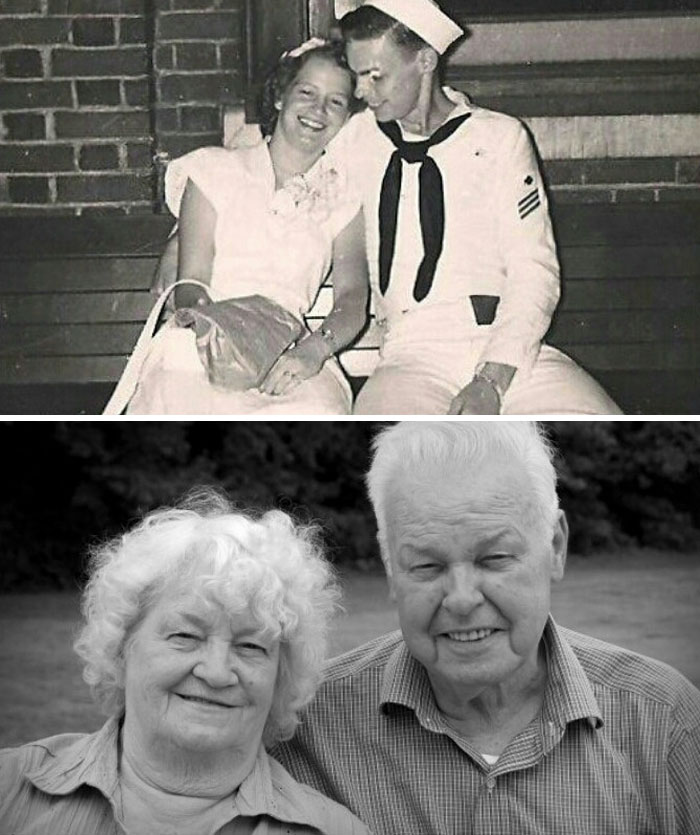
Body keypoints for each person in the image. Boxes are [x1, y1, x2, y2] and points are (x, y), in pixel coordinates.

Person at [273, 422, 700, 834]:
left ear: (555, 546)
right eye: (427, 565)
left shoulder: (666, 724)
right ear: (390, 569)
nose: (461, 600)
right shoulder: (301, 725)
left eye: (494, 559)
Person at [0, 490, 371, 834]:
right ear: (121, 648)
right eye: (186, 636)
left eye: (250, 646)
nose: (216, 672)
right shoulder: (9, 789)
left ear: (280, 678)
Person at [328, 0, 621, 415]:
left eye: (375, 76)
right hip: (411, 357)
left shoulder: (499, 138)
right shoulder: (356, 138)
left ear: (425, 61)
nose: (360, 92)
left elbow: (534, 270)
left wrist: (492, 379)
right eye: (356, 76)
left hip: (507, 351)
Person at [127, 40, 369, 415]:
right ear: (280, 97)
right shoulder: (212, 170)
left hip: (289, 351)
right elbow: (191, 282)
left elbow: (353, 299)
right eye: (306, 92)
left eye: (335, 101)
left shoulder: (344, 199)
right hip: (202, 341)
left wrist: (314, 350)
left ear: (347, 117)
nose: (318, 110)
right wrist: (218, 332)